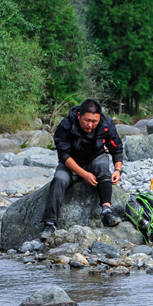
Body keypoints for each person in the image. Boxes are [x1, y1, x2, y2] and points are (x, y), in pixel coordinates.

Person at [40, 99, 124, 238]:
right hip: (71, 163)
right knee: (59, 179)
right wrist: (84, 174)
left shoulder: (106, 124)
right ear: (79, 115)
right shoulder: (66, 125)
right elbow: (64, 155)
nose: (90, 125)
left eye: (94, 121)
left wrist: (118, 170)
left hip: (95, 158)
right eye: (87, 120)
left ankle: (106, 211)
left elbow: (117, 148)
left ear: (99, 118)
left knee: (103, 166)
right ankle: (49, 224)